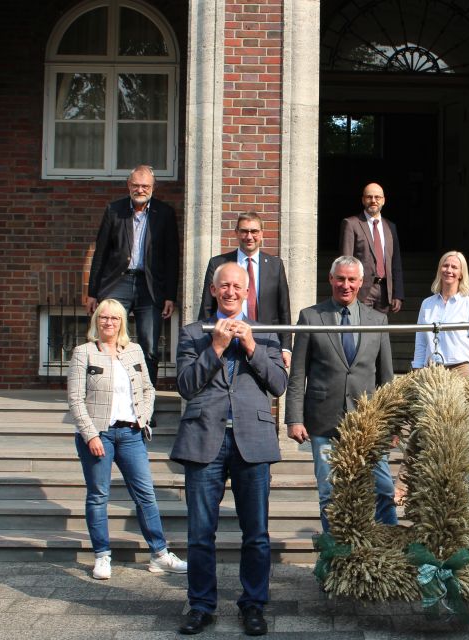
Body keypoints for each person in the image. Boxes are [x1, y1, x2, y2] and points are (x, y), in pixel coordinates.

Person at [171, 262, 288, 636]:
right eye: (225, 286)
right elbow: (186, 386)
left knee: (256, 532)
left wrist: (251, 346)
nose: (231, 292)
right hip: (204, 439)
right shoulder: (193, 332)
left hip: (251, 441)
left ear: (247, 290)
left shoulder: (267, 332)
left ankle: (253, 604)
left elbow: (279, 385)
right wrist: (216, 347)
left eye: (238, 286)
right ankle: (201, 606)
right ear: (213, 290)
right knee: (200, 532)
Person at [67, 298, 187, 582]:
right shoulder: (84, 352)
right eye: (104, 318)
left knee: (145, 494)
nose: (109, 323)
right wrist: (90, 434)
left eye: (115, 318)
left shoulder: (133, 351)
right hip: (99, 435)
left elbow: (148, 389)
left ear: (122, 322)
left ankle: (159, 554)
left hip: (131, 434)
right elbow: (75, 399)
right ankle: (102, 555)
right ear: (96, 320)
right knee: (99, 496)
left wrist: (142, 418)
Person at [285, 256, 398, 531]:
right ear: (331, 279)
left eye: (351, 280)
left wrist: (393, 426)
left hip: (368, 424)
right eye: (340, 278)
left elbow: (386, 377)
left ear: (361, 283)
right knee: (329, 494)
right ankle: (336, 557)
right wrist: (294, 418)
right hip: (324, 421)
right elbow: (298, 372)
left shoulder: (378, 320)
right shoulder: (311, 317)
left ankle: (390, 552)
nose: (345, 285)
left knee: (383, 489)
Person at [86, 165, 180, 384]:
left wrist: (169, 295)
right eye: (136, 185)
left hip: (150, 288)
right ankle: (108, 396)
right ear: (129, 185)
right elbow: (100, 253)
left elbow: (171, 257)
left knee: (149, 347)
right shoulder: (114, 210)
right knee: (108, 341)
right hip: (118, 282)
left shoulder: (164, 213)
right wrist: (92, 292)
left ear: (153, 187)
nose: (140, 190)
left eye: (145, 186)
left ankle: (145, 405)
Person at [197, 211, 293, 368]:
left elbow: (284, 310)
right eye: (244, 231)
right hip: (227, 341)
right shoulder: (218, 263)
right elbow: (207, 307)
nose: (249, 237)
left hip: (265, 342)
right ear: (236, 233)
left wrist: (286, 347)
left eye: (254, 231)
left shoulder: (275, 266)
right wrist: (205, 343)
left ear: (262, 234)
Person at [411, 251, 469, 377]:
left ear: (461, 274)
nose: (448, 270)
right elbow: (421, 341)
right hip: (431, 370)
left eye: (454, 267)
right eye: (445, 266)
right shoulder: (427, 304)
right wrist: (417, 369)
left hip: (460, 369)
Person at [340, 183, 404, 314]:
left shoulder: (390, 226)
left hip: (385, 291)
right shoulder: (351, 224)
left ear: (383, 200)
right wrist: (348, 289)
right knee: (360, 332)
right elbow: (346, 262)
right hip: (361, 290)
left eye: (377, 197)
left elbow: (395, 262)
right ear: (363, 200)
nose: (373, 200)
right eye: (369, 197)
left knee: (380, 333)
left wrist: (398, 293)